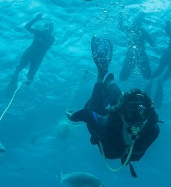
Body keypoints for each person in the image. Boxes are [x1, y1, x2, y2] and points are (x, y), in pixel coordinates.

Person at [66, 41, 160, 178]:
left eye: (142, 114)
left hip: (117, 120)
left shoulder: (152, 129)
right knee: (93, 107)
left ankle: (113, 89)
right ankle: (103, 77)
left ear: (148, 115)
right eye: (130, 113)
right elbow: (87, 114)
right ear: (123, 114)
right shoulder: (107, 125)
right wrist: (72, 117)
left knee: (119, 102)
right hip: (111, 120)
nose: (136, 121)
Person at [7, 13, 55, 95]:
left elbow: (48, 45)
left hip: (37, 57)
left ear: (51, 30)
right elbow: (27, 27)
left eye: (49, 27)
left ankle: (24, 87)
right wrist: (36, 19)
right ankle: (15, 80)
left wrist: (41, 41)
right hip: (30, 53)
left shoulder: (51, 38)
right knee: (20, 68)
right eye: (46, 26)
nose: (47, 28)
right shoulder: (39, 32)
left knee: (31, 74)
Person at [119, 12, 155, 82]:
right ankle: (149, 83)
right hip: (140, 54)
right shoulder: (142, 31)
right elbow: (152, 43)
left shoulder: (131, 29)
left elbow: (120, 27)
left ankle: (149, 84)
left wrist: (121, 18)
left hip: (133, 54)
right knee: (147, 76)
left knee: (123, 77)